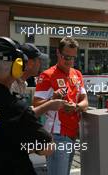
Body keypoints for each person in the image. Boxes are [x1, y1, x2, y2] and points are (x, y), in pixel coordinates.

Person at [0, 37, 64, 175]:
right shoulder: (16, 107)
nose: (40, 63)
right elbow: (48, 147)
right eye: (37, 60)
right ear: (18, 66)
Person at [33, 37, 89, 175]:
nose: (69, 61)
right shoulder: (47, 75)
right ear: (58, 53)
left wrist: (75, 106)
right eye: (66, 57)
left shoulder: (77, 74)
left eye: (72, 58)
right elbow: (36, 106)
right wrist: (53, 99)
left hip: (72, 134)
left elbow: (85, 102)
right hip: (57, 135)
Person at [11, 43, 64, 118]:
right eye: (38, 60)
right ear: (29, 62)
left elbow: (21, 112)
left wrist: (51, 100)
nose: (40, 64)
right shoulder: (12, 84)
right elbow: (17, 116)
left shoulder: (22, 83)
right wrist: (49, 105)